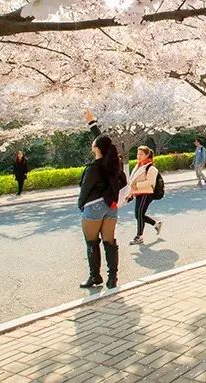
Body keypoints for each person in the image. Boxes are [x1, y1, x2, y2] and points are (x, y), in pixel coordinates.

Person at [79, 109, 127, 289]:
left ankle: (94, 276)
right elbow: (105, 143)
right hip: (111, 207)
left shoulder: (93, 168)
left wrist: (81, 205)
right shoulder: (115, 164)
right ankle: (112, 278)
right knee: (109, 241)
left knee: (91, 242)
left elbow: (85, 191)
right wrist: (92, 124)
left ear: (96, 148)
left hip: (94, 207)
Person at [127, 146, 163, 245]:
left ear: (147, 155)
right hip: (139, 193)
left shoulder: (151, 167)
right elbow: (133, 180)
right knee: (138, 215)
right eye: (138, 154)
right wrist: (131, 191)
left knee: (139, 215)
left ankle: (139, 237)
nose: (138, 156)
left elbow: (150, 182)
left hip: (146, 193)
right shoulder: (138, 165)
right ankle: (156, 224)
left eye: (141, 154)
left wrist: (136, 186)